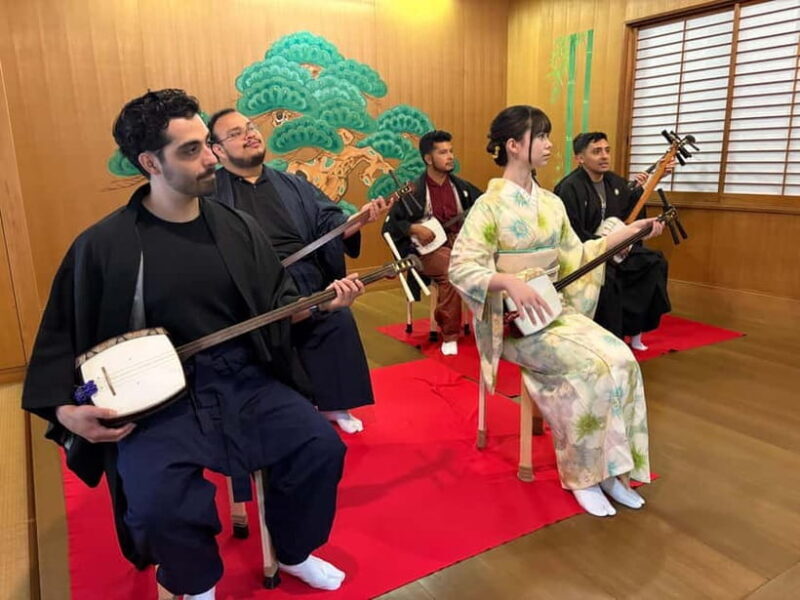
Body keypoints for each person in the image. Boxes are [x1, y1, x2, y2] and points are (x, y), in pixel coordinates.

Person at [21, 89, 363, 599]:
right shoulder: (104, 246)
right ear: (149, 163)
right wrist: (64, 411)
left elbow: (277, 301)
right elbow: (57, 341)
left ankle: (292, 549)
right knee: (159, 501)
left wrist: (317, 306)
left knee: (319, 448)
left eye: (207, 144)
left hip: (243, 380)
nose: (210, 159)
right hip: (155, 402)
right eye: (191, 150)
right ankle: (194, 582)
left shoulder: (238, 228)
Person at [448, 105, 665, 517]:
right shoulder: (488, 207)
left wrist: (627, 234)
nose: (549, 144)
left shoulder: (550, 203)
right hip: (514, 323)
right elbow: (461, 266)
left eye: (548, 136)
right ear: (514, 146)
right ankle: (584, 474)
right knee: (589, 368)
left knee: (621, 359)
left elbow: (576, 258)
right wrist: (507, 281)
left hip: (552, 311)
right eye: (541, 136)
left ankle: (614, 472)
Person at [207, 108, 389, 434]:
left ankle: (334, 403)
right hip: (253, 286)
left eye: (250, 127)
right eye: (235, 133)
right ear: (217, 150)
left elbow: (328, 222)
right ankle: (283, 404)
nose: (249, 134)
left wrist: (356, 221)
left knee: (336, 317)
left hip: (306, 274)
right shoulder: (209, 195)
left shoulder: (292, 183)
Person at [554, 132, 671, 350]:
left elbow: (628, 215)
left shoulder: (615, 182)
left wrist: (649, 185)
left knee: (654, 262)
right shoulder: (569, 188)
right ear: (580, 158)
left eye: (607, 150)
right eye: (596, 151)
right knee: (609, 279)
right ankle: (611, 338)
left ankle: (636, 329)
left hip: (615, 246)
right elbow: (571, 232)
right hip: (587, 251)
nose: (604, 156)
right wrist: (602, 245)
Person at [382, 130, 482, 355]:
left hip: (460, 244)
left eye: (451, 151)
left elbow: (484, 205)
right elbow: (389, 226)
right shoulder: (412, 189)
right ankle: (449, 334)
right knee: (452, 270)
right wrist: (413, 228)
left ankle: (500, 321)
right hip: (427, 251)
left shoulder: (462, 187)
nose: (450, 157)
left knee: (493, 260)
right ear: (428, 158)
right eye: (443, 152)